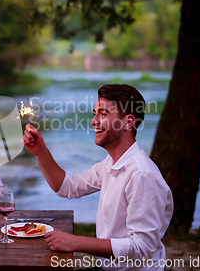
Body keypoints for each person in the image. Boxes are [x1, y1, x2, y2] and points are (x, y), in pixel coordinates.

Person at [22, 84, 173, 271]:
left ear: (127, 122)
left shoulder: (142, 175)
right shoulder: (110, 163)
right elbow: (66, 187)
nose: (93, 121)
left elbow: (142, 248)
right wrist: (40, 152)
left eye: (103, 114)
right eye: (95, 113)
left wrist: (76, 242)